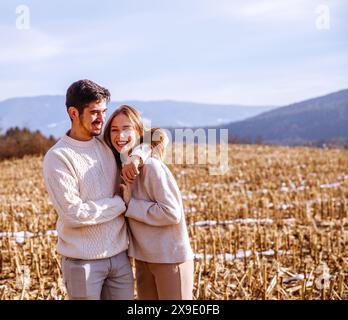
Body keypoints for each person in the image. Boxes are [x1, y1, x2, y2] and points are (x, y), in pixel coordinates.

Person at [43, 79, 151, 300]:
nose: (102, 119)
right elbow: (73, 214)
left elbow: (157, 137)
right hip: (83, 263)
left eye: (104, 111)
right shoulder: (58, 157)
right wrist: (120, 204)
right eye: (94, 112)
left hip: (120, 257)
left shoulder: (107, 144)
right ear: (73, 113)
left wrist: (138, 156)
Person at [103, 105, 194, 300]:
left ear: (138, 131)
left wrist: (129, 206)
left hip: (170, 259)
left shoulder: (151, 167)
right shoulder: (118, 165)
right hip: (143, 259)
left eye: (126, 128)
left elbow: (171, 212)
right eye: (114, 130)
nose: (120, 135)